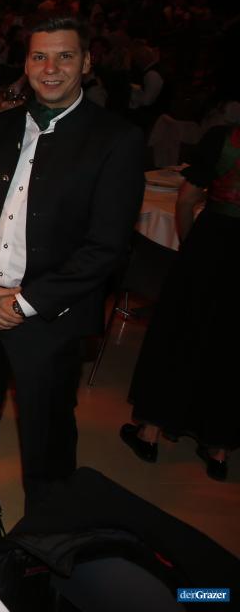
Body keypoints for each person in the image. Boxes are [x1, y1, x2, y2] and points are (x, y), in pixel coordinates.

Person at [0, 17, 144, 521]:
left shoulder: (116, 139)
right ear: (26, 64)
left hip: (50, 319)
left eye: (64, 56)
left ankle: (47, 543)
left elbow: (106, 248)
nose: (50, 68)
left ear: (87, 62)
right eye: (39, 56)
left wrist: (25, 302)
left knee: (47, 444)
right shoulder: (0, 127)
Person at [122, 123, 240, 481]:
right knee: (231, 346)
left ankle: (150, 432)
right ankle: (219, 449)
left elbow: (187, 198)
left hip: (212, 244)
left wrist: (191, 246)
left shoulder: (225, 137)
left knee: (180, 333)